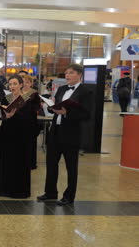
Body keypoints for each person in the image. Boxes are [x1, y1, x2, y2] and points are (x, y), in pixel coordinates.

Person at [37, 64, 92, 205]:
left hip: (71, 133)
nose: (67, 75)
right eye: (66, 73)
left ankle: (69, 196)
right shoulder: (61, 89)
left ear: (79, 75)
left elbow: (86, 114)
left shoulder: (86, 91)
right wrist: (51, 107)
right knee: (51, 164)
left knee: (71, 167)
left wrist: (67, 112)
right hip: (56, 131)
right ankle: (50, 192)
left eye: (71, 73)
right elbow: (57, 107)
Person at [0, 75, 35, 198]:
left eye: (14, 84)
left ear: (21, 85)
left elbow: (31, 118)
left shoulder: (27, 99)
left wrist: (16, 114)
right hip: (7, 131)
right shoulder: (5, 98)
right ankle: (5, 188)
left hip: (21, 134)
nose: (12, 86)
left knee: (20, 161)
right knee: (6, 159)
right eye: (10, 84)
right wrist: (6, 115)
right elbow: (1, 115)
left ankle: (19, 190)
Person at [22, 75, 41, 170]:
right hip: (20, 120)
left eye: (27, 82)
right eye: (23, 82)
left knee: (31, 143)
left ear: (31, 83)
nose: (25, 84)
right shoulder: (18, 92)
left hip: (31, 121)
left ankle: (31, 163)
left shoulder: (34, 93)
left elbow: (37, 107)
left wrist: (28, 105)